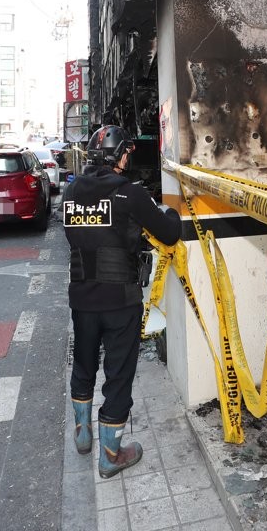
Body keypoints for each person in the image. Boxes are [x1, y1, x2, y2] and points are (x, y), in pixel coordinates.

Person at [63, 125, 181, 478]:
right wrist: (170, 212)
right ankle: (110, 455)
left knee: (83, 366)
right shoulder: (130, 195)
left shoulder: (70, 191)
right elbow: (169, 234)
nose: (129, 158)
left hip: (82, 299)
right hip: (120, 302)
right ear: (118, 156)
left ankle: (83, 435)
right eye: (126, 152)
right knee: (118, 376)